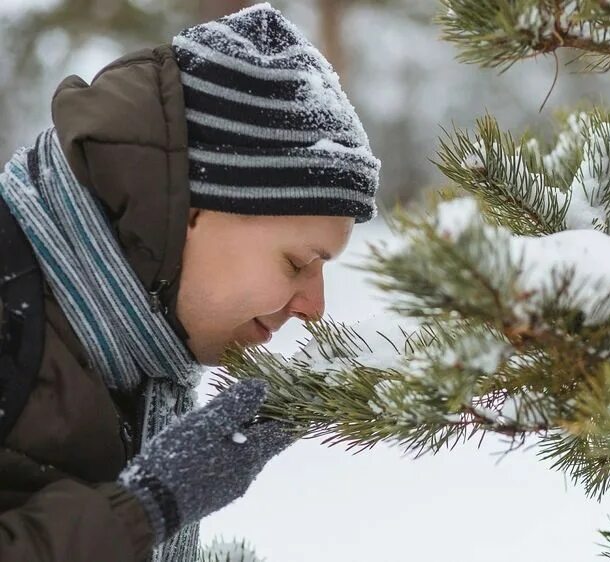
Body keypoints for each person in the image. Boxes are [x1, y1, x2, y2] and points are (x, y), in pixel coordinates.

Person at [0, 3, 380, 561]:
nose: (314, 306)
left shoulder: (129, 351)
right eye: (297, 263)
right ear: (190, 213)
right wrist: (147, 507)